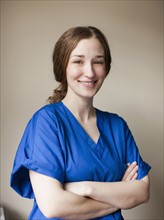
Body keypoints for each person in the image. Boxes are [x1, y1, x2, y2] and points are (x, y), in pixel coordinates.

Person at [10, 26, 151, 220]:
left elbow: (142, 192)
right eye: (78, 61)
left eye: (98, 62)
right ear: (63, 66)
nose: (90, 72)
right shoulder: (47, 122)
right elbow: (53, 206)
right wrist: (119, 195)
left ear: (106, 68)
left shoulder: (117, 126)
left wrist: (85, 188)